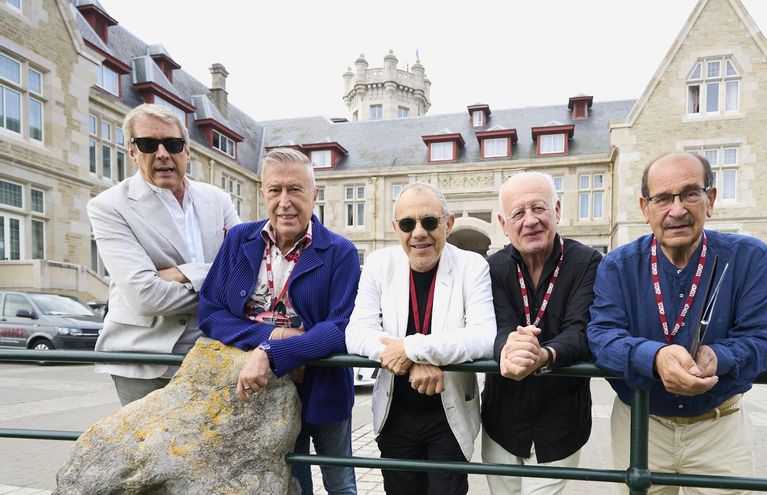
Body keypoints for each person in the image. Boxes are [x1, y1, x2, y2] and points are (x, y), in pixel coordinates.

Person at [587, 152, 767, 494]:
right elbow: (602, 336)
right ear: (644, 207)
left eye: (690, 194)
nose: (676, 210)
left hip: (718, 427)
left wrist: (720, 357)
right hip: (640, 425)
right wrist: (654, 358)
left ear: (710, 200)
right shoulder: (617, 265)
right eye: (663, 198)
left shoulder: (749, 257)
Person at [198, 148, 360, 495]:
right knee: (294, 484)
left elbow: (339, 329)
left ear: (314, 195)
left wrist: (271, 353)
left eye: (295, 190)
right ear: (263, 194)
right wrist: (275, 337)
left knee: (340, 482)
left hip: (323, 387)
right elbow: (210, 312)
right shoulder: (239, 240)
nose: (285, 201)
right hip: (264, 391)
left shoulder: (340, 251)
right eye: (275, 190)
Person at [345, 182, 496, 495]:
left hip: (449, 414)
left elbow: (484, 336)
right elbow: (357, 331)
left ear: (448, 223)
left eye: (429, 222)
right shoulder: (378, 264)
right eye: (407, 224)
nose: (419, 233)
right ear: (395, 228)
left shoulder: (472, 266)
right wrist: (411, 363)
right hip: (395, 413)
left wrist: (414, 349)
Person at [88, 103, 239, 406]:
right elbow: (145, 297)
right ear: (132, 151)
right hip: (143, 359)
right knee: (146, 453)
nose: (162, 154)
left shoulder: (217, 200)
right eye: (147, 144)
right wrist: (218, 282)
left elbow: (246, 272)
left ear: (187, 151)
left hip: (210, 354)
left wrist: (184, 273)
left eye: (172, 144)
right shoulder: (108, 207)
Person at [481, 172, 602, 495]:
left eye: (539, 208)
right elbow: (498, 326)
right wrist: (511, 347)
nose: (530, 221)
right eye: (518, 213)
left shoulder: (587, 262)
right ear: (503, 223)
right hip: (502, 419)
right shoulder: (492, 268)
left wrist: (544, 355)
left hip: (560, 420)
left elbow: (581, 330)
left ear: (557, 210)